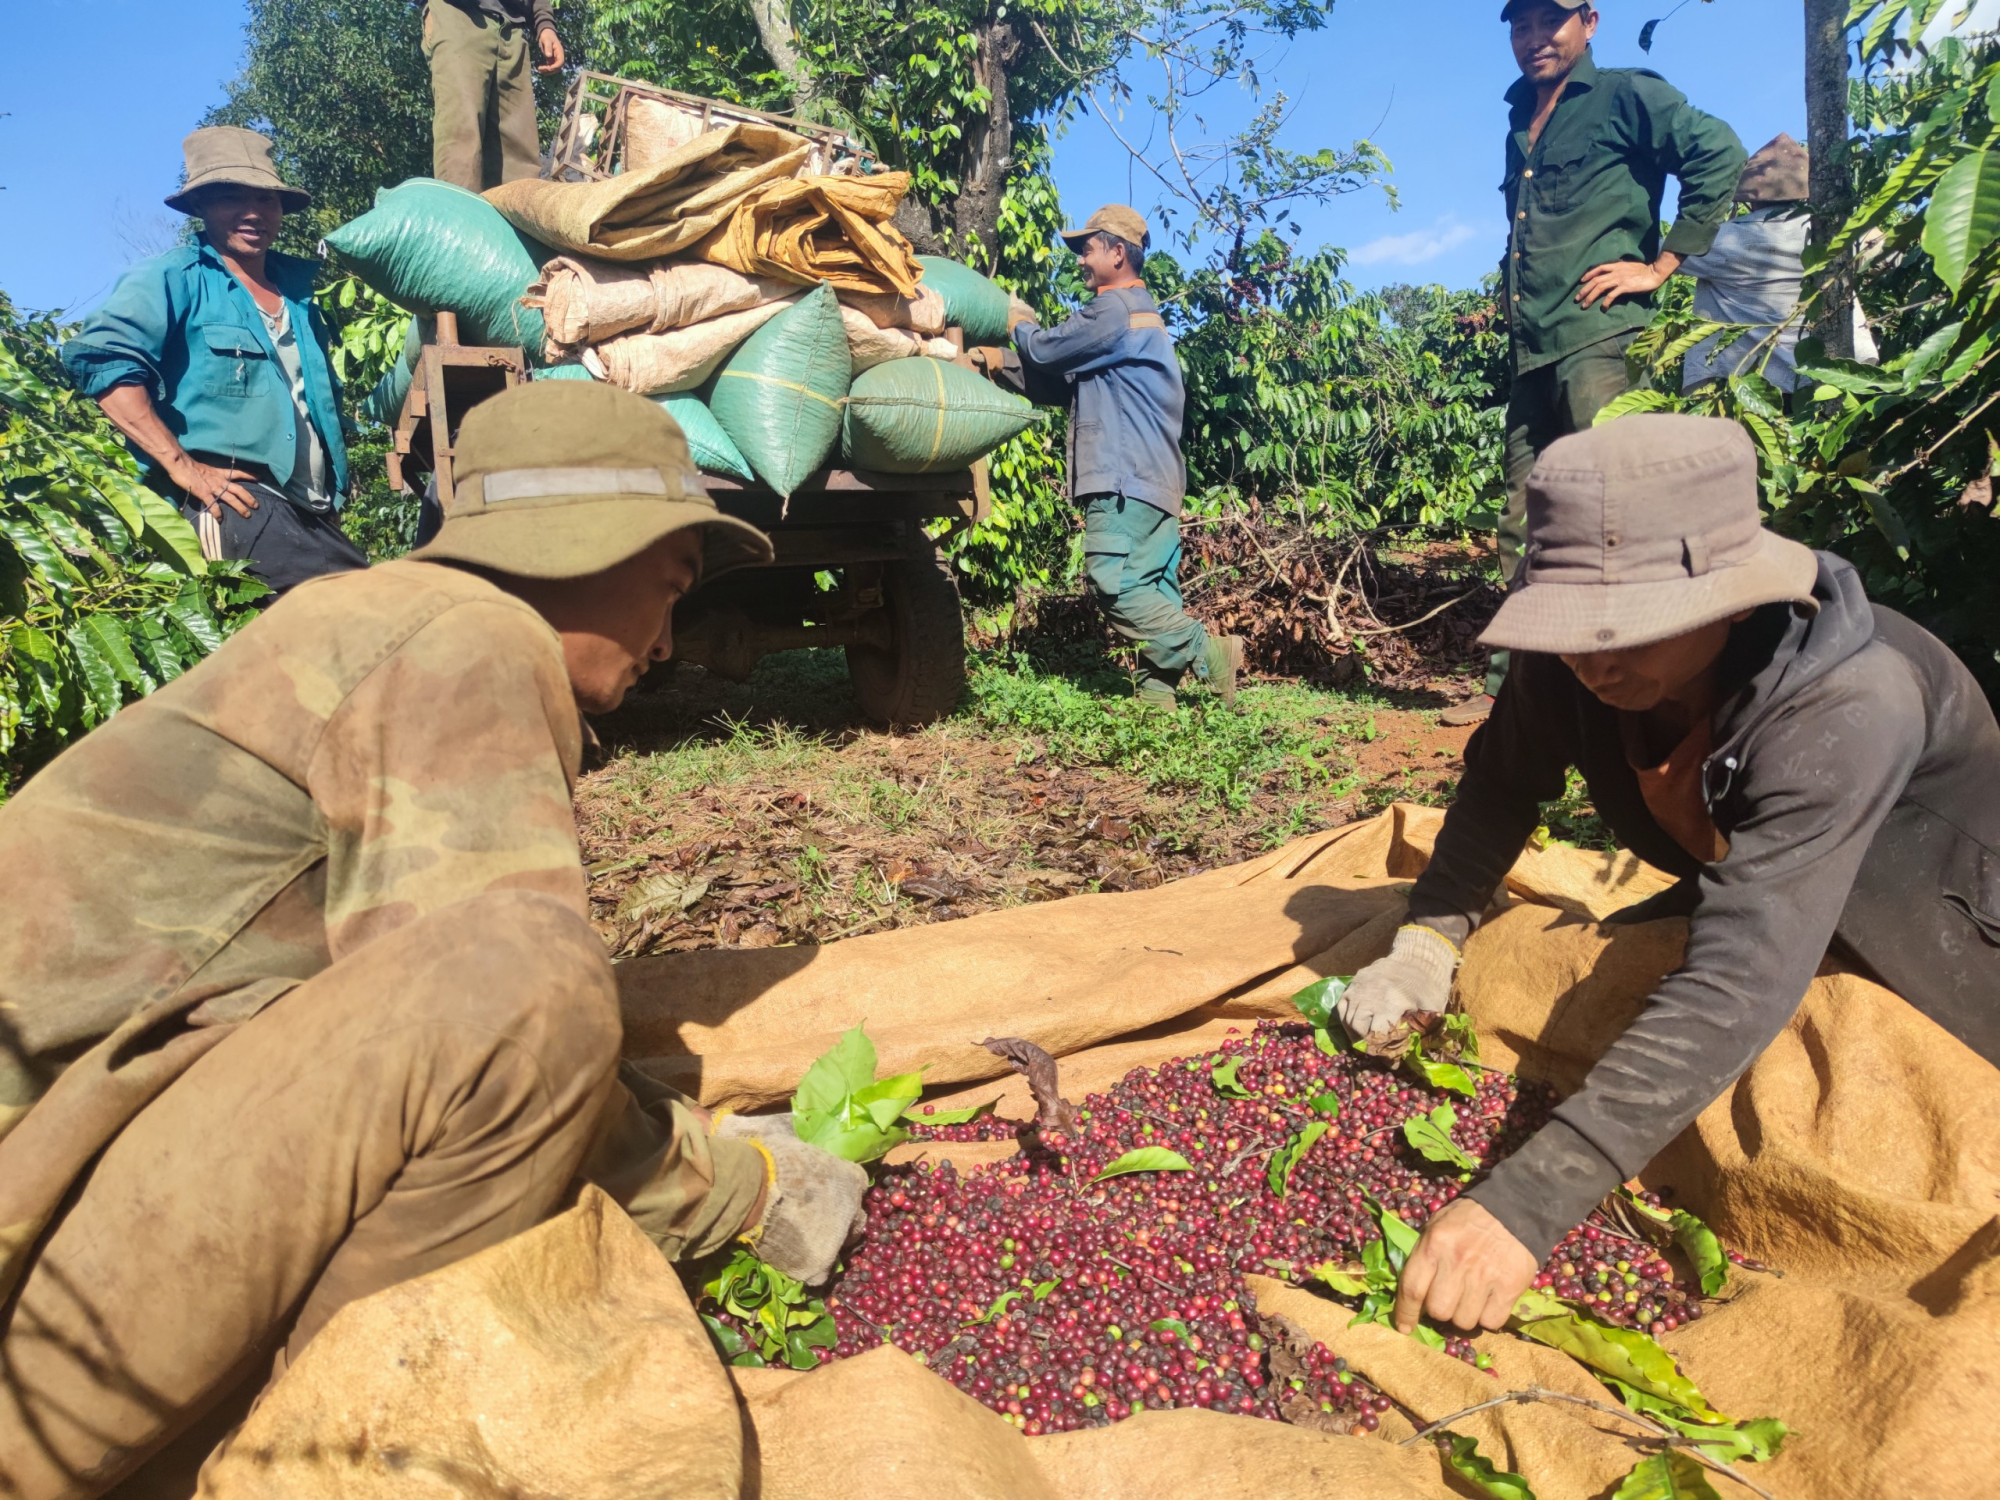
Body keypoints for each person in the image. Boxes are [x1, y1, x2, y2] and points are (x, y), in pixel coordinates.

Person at [0, 382, 866, 1499]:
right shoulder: (465, 639)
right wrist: (743, 1191)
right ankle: (292, 1467)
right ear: (596, 548)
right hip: (39, 1319)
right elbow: (492, 1016)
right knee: (528, 980)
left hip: (54, 1242)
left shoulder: (359, 622)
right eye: (675, 583)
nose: (667, 640)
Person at [1335, 413, 2000, 1337]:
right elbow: (1500, 783)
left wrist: (1526, 1204)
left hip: (1940, 926)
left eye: (1631, 632)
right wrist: (1431, 934)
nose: (1593, 660)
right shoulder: (1574, 661)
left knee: (1894, 1144)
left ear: (1731, 602)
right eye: (1574, 629)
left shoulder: (1852, 701)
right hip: (1754, 883)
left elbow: (1741, 974)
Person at [1441, 0, 1746, 727]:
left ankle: (1652, 689)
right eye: (1520, 26)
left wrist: (1663, 264)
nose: (1534, 38)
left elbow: (1720, 153)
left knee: (1618, 513)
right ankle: (1520, 699)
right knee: (1529, 517)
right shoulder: (1520, 119)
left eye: (1550, 21)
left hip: (1600, 342)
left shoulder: (1625, 96)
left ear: (1590, 22)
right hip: (1533, 353)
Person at [63, 127, 369, 597]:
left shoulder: (301, 295)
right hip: (236, 507)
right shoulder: (172, 277)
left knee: (365, 641)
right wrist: (182, 465)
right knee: (360, 632)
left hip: (311, 513)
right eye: (231, 198)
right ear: (201, 207)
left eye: (266, 199)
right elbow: (102, 359)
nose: (253, 212)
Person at [995, 205, 1244, 709]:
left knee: (1114, 584)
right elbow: (1063, 383)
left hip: (1124, 478)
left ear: (1117, 252)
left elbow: (1044, 351)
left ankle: (1211, 653)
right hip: (1157, 478)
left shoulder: (1114, 310)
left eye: (1087, 248)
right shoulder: (1139, 319)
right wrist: (997, 366)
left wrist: (1018, 325)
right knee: (1152, 585)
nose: (1081, 260)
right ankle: (1157, 700)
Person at [1679, 133, 1879, 391]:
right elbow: (1888, 249)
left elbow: (1659, 253)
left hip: (1748, 380)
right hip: (1840, 373)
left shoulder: (1726, 239)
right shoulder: (1838, 232)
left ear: (1750, 197)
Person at [421, 0, 566, 192]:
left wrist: (544, 23)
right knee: (461, 149)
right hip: (458, 13)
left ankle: (514, 221)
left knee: (520, 168)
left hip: (513, 25)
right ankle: (460, 221)